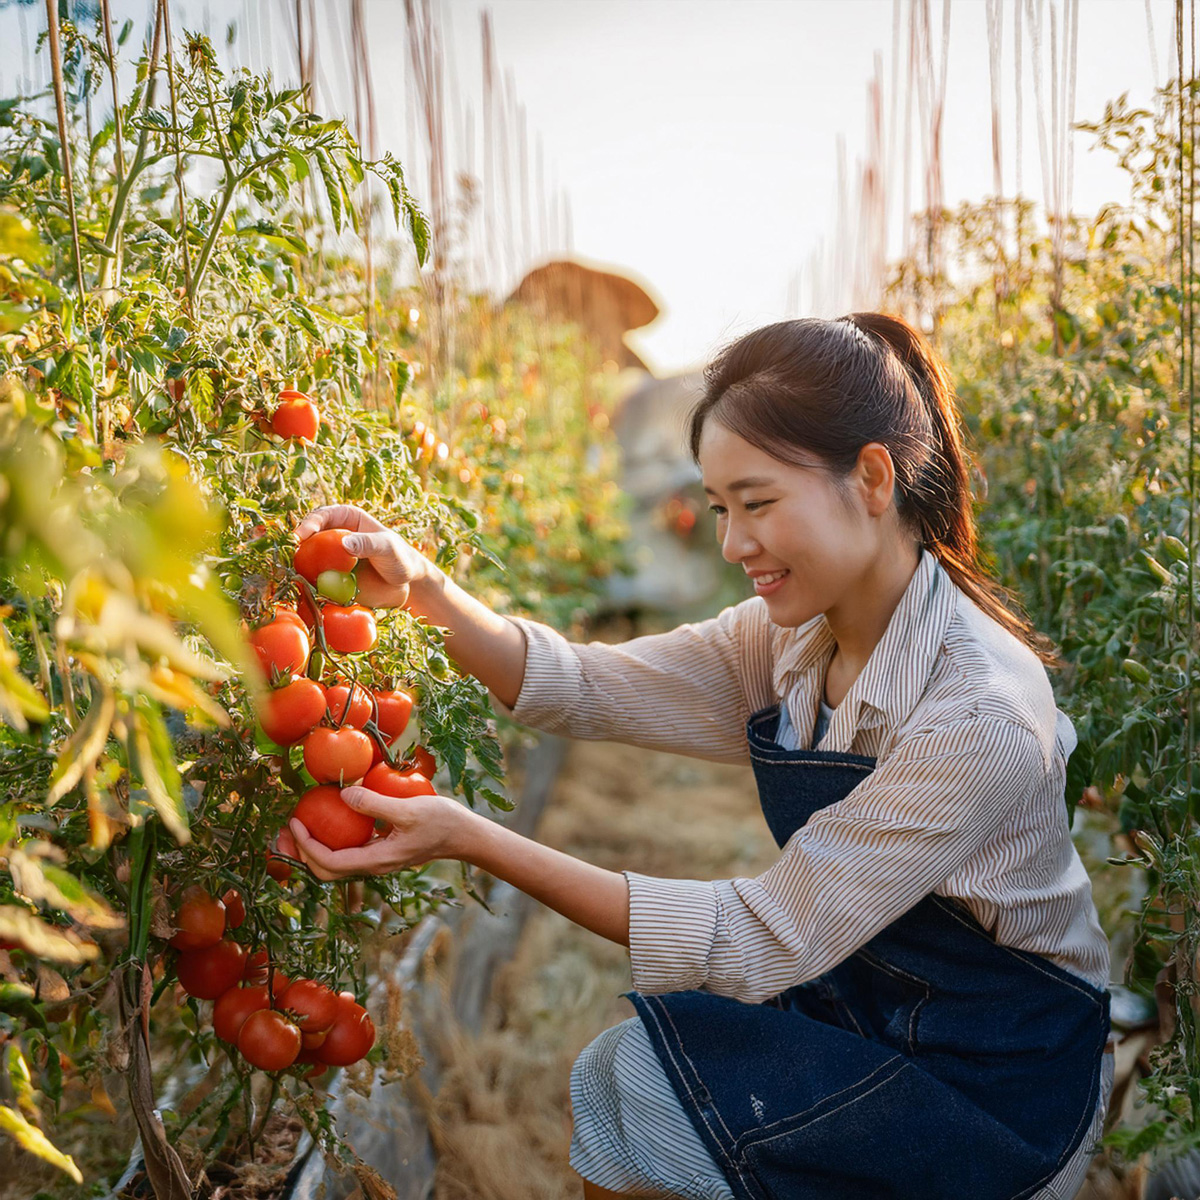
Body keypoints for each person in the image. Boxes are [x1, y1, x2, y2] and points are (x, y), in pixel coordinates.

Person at [280, 313, 1114, 1200]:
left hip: (998, 1079)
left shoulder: (979, 712)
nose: (732, 544)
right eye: (720, 508)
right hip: (863, 998)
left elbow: (759, 938)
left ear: (873, 478)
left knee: (647, 1083)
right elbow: (587, 684)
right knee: (622, 1079)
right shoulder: (789, 642)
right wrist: (429, 592)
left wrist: (472, 838)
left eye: (758, 503)